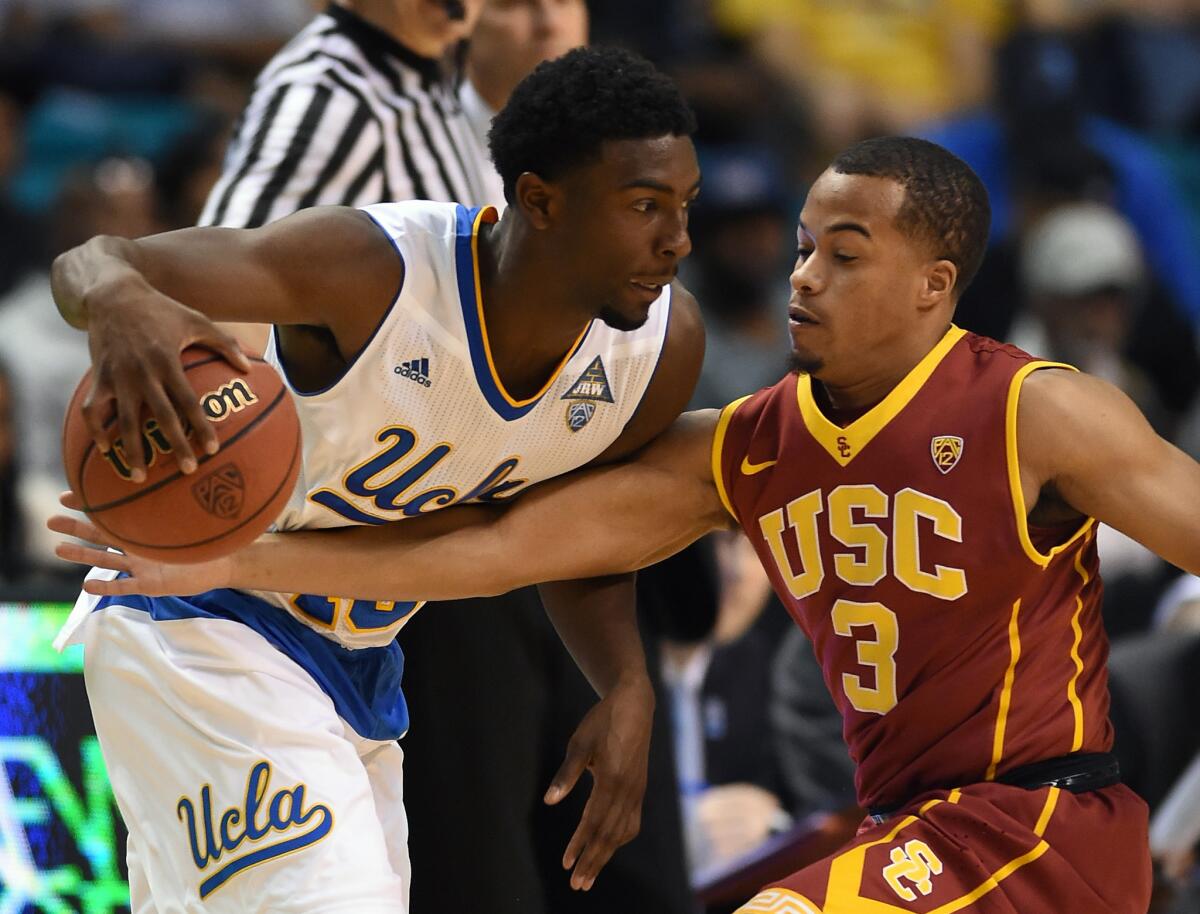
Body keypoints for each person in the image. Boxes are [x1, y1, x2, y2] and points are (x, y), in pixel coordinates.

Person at [65, 135, 1200, 913]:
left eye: (846, 257)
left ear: (934, 285)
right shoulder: (744, 445)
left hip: (1039, 823)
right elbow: (495, 548)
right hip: (910, 829)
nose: (803, 276)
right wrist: (233, 552)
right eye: (804, 243)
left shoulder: (1034, 407)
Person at [49, 47, 703, 913]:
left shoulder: (657, 353)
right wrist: (122, 301)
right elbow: (94, 262)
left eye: (683, 205)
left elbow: (580, 535)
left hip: (360, 662)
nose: (678, 240)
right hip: (190, 615)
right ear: (539, 199)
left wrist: (622, 678)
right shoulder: (373, 271)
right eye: (645, 206)